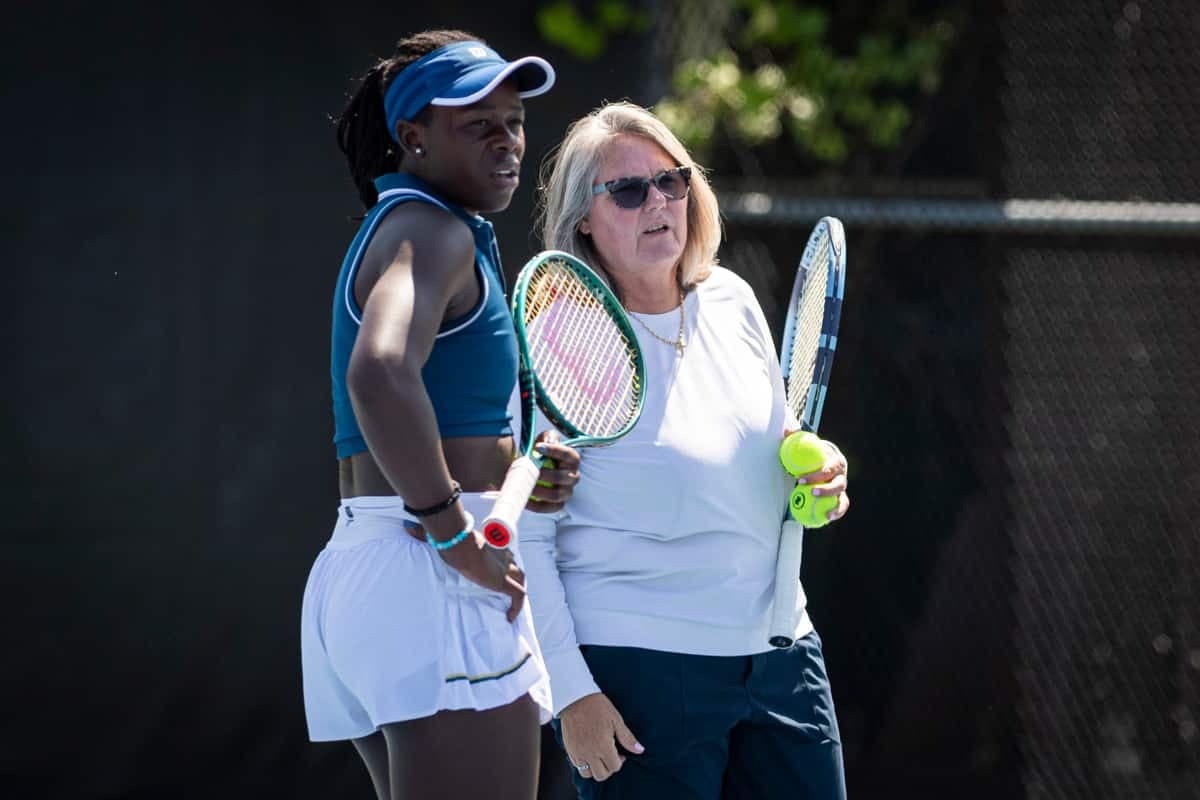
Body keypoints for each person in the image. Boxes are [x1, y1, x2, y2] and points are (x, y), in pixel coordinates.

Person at [520, 101, 852, 800]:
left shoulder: (729, 300)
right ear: (584, 217)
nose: (659, 202)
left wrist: (820, 476)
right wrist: (570, 695)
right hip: (643, 673)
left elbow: (773, 445)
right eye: (629, 190)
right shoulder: (561, 338)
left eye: (672, 181)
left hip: (782, 656)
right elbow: (526, 533)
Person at [299, 30, 582, 800]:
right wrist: (456, 535)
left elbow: (425, 401)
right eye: (478, 123)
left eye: (515, 121)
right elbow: (381, 373)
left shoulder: (416, 228)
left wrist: (521, 469)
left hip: (373, 570)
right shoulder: (432, 230)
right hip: (428, 573)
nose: (507, 141)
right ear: (412, 139)